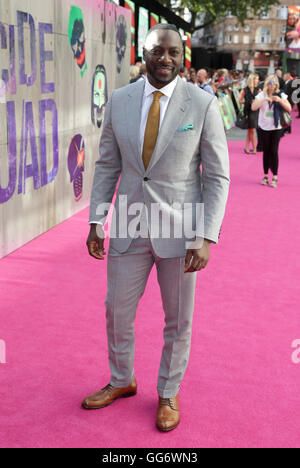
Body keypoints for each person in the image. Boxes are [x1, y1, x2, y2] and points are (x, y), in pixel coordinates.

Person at [82, 24, 230, 432]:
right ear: (143, 54)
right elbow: (108, 163)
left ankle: (168, 390)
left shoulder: (201, 105)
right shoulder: (119, 100)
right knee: (116, 310)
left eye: (173, 53)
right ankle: (121, 379)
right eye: (156, 51)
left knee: (177, 318)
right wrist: (97, 219)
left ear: (183, 58)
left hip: (181, 232)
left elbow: (217, 177)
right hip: (129, 225)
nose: (165, 59)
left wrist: (205, 234)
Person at [251, 75, 291, 188]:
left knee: (274, 151)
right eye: (270, 83)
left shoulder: (281, 94)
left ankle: (275, 176)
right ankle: (265, 175)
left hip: (276, 127)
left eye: (274, 83)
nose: (272, 86)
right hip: (263, 127)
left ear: (277, 85)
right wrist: (264, 99)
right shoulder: (261, 94)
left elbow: (289, 108)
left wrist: (280, 100)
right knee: (266, 151)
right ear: (266, 84)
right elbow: (253, 107)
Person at [239, 74, 260, 154]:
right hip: (247, 111)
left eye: (257, 79)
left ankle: (247, 147)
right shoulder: (245, 90)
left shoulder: (258, 90)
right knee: (251, 130)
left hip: (255, 111)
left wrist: (256, 102)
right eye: (256, 79)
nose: (257, 81)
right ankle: (254, 148)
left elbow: (261, 100)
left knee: (250, 130)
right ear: (252, 80)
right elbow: (240, 101)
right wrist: (247, 102)